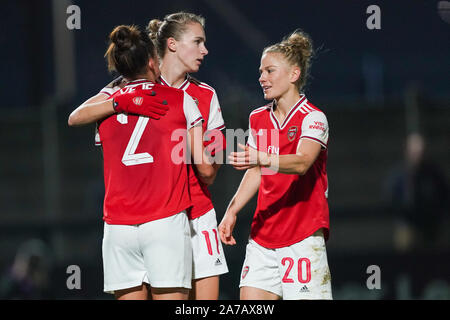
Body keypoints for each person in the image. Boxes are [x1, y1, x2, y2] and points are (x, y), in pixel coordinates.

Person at [69, 12, 229, 300]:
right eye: (198, 42)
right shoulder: (126, 90)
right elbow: (208, 165)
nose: (205, 50)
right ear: (170, 45)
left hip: (190, 214)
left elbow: (75, 117)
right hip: (167, 215)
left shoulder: (205, 94)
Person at [219, 29, 332, 300]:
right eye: (261, 71)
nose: (262, 78)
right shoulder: (258, 117)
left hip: (302, 238)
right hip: (263, 237)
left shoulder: (313, 118)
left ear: (293, 74)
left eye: (270, 71)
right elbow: (258, 171)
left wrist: (261, 158)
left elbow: (303, 162)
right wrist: (232, 210)